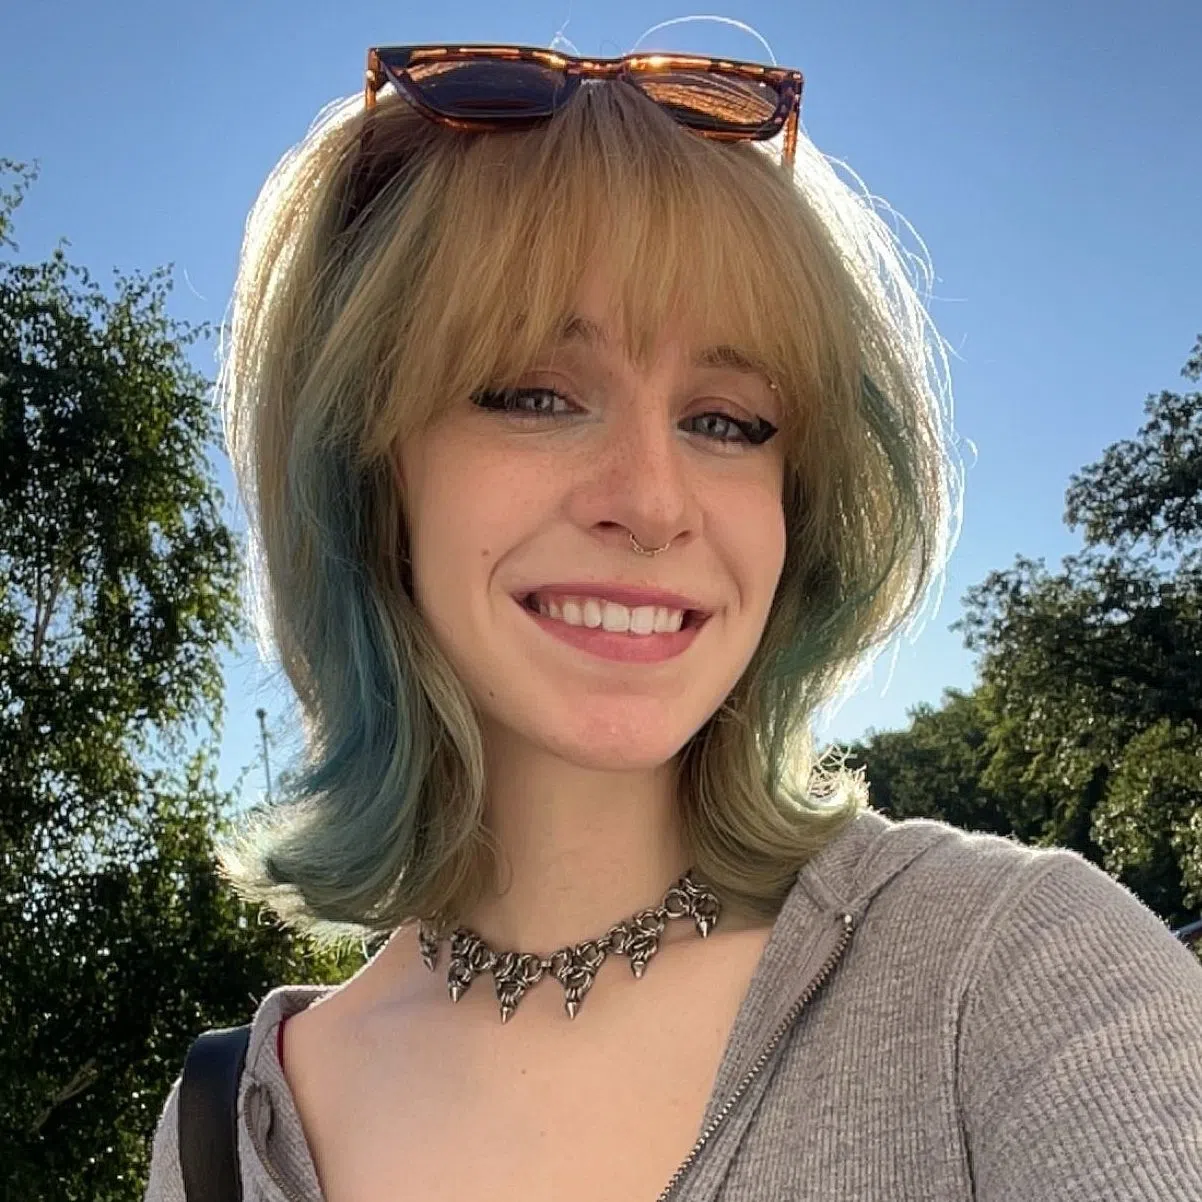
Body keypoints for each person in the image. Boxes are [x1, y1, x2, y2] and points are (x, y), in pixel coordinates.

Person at [144, 42, 1202, 1202]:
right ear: (369, 469)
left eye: (727, 420)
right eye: (534, 393)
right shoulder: (222, 1131)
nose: (651, 502)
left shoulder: (1012, 974)